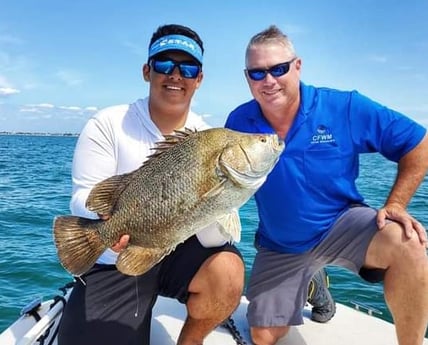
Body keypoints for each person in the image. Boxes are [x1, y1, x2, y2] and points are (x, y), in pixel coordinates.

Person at [225, 25, 428, 345]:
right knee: (264, 336)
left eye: (278, 69)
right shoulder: (238, 122)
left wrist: (397, 204)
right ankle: (313, 283)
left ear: (298, 66)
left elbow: (419, 143)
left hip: (342, 225)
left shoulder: (344, 107)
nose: (269, 81)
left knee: (409, 243)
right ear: (246, 76)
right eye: (257, 73)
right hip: (281, 243)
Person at [57, 24, 245, 345]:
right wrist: (109, 226)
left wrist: (215, 201)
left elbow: (213, 240)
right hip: (115, 259)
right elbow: (85, 198)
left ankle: (191, 341)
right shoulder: (109, 123)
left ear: (198, 79)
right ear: (147, 71)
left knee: (228, 270)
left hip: (175, 247)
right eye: (163, 65)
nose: (175, 75)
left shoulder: (207, 138)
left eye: (187, 68)